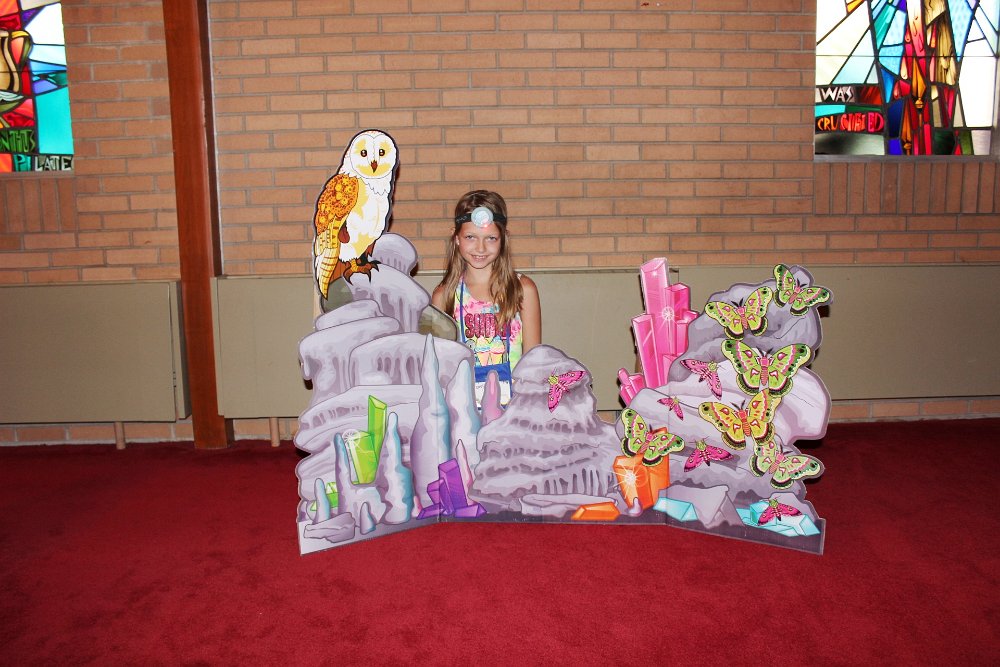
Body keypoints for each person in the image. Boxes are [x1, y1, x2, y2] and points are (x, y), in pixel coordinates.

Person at [431, 190, 541, 405]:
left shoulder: (522, 290)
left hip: (514, 410)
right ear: (456, 238)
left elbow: (534, 363)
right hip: (462, 411)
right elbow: (439, 368)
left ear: (503, 238)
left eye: (490, 238)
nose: (480, 248)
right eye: (470, 237)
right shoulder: (444, 296)